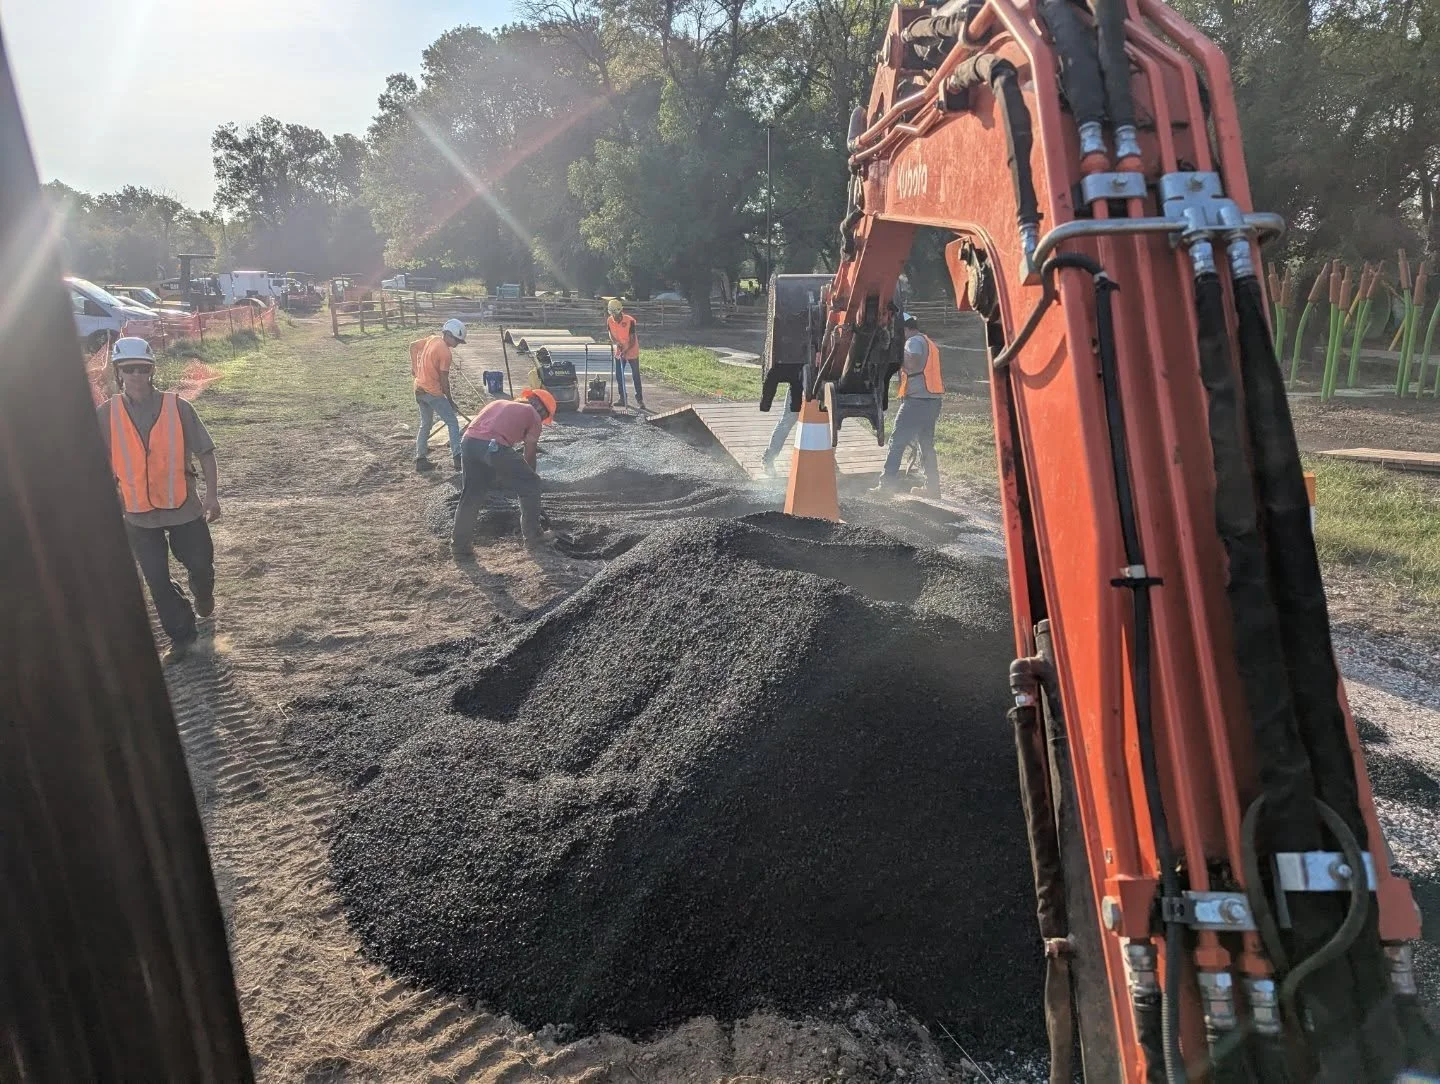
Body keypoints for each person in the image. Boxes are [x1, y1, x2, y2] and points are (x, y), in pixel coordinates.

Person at [97, 337, 222, 663]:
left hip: (183, 508)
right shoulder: (105, 415)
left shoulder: (177, 406)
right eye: (130, 369)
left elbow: (205, 452)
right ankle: (183, 637)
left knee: (201, 566)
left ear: (152, 371)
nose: (137, 375)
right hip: (138, 514)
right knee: (156, 579)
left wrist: (211, 496)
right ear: (119, 372)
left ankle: (203, 593)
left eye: (143, 368)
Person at [451, 388, 557, 558]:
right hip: (493, 446)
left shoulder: (498, 403)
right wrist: (530, 483)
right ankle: (534, 536)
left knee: (471, 494)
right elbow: (529, 454)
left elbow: (484, 434)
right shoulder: (533, 415)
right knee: (531, 483)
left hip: (468, 443)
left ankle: (460, 546)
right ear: (542, 411)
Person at [877, 332, 944, 497]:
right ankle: (933, 488)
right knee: (926, 444)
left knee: (897, 441)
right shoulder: (929, 342)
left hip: (916, 401)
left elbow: (911, 360)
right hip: (932, 399)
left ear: (905, 328)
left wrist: (896, 353)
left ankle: (886, 485)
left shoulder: (913, 341)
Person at [412, 318, 467, 472]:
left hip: (419, 388)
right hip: (432, 392)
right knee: (452, 422)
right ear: (449, 335)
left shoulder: (432, 339)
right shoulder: (446, 353)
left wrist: (414, 369)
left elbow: (412, 346)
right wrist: (450, 400)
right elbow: (444, 379)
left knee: (425, 424)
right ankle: (458, 458)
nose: (457, 344)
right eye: (456, 340)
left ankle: (420, 459)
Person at [606, 298, 645, 410]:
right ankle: (622, 398)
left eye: (616, 314)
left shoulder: (630, 321)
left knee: (635, 375)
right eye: (613, 314)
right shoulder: (609, 320)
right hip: (619, 350)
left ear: (620, 311)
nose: (615, 316)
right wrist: (616, 343)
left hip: (631, 350)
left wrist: (626, 350)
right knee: (619, 375)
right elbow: (610, 334)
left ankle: (640, 399)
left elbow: (632, 339)